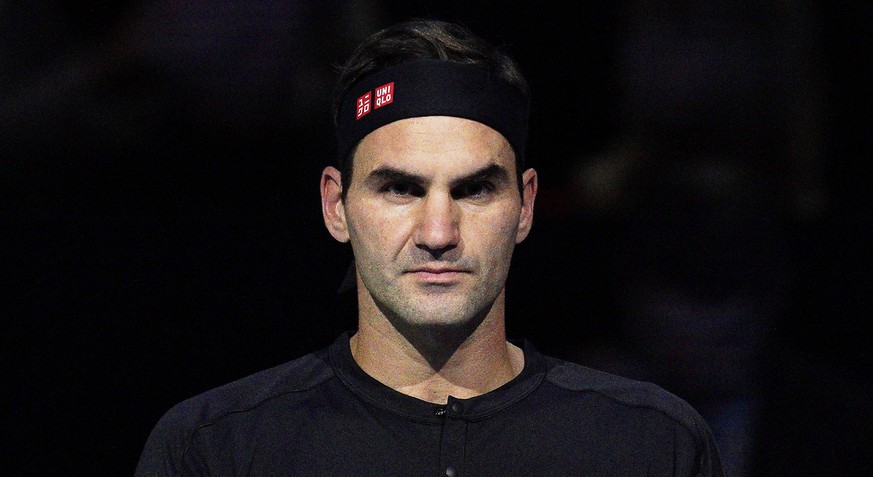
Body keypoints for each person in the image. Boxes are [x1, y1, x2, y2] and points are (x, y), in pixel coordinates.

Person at [135, 19, 724, 476]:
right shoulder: (217, 449)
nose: (438, 233)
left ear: (526, 205)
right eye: (399, 188)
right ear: (335, 206)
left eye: (473, 190)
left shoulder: (650, 445)